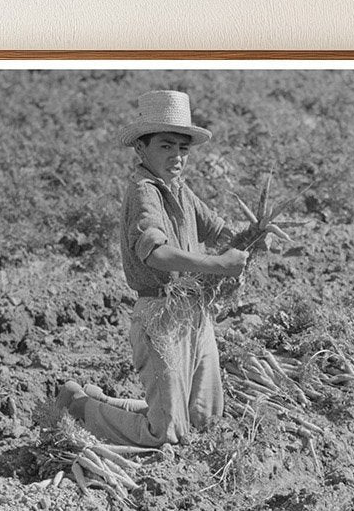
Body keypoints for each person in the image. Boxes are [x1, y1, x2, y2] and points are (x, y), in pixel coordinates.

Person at [57, 89, 248, 447]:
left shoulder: (178, 188)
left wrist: (253, 235)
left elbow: (217, 228)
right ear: (141, 149)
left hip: (192, 310)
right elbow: (155, 254)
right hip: (160, 313)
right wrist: (218, 265)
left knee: (203, 418)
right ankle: (82, 408)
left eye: (182, 148)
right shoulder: (145, 191)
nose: (177, 156)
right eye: (165, 146)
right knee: (166, 433)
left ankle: (100, 401)